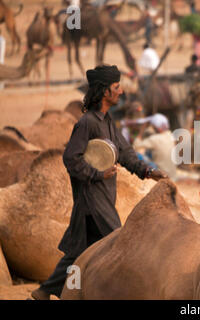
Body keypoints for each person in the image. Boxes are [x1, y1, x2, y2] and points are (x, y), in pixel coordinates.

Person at [30, 65, 167, 300]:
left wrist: (147, 171)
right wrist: (96, 174)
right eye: (117, 87)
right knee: (118, 242)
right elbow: (70, 158)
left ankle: (46, 291)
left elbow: (124, 152)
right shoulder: (87, 123)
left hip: (101, 197)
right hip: (91, 200)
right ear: (105, 92)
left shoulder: (107, 122)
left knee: (79, 253)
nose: (122, 91)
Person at [133, 113, 177, 180]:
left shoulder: (155, 139)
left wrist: (141, 130)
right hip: (172, 176)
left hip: (161, 172)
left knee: (137, 155)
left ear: (157, 128)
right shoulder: (171, 136)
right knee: (150, 152)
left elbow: (136, 145)